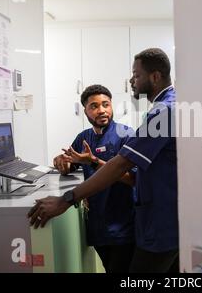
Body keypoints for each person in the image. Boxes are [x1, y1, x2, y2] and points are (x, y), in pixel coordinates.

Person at [29, 48, 178, 273]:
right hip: (161, 217)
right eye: (93, 106)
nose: (131, 80)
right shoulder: (169, 105)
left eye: (136, 75)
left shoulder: (162, 113)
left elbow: (120, 165)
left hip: (160, 221)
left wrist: (67, 199)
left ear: (154, 77)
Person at [53, 84, 136, 273]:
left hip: (123, 227)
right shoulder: (84, 138)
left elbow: (132, 179)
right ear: (85, 111)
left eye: (106, 104)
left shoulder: (126, 135)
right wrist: (62, 163)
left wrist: (93, 161)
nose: (102, 110)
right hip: (98, 227)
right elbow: (70, 163)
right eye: (94, 106)